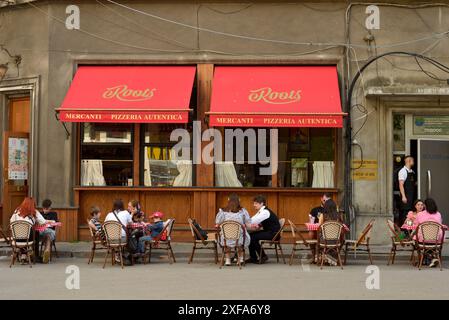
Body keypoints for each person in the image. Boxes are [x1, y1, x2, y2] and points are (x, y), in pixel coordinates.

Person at [10, 197, 53, 264]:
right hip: (28, 238)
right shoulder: (34, 211)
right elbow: (43, 222)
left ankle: (24, 254)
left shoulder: (16, 210)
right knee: (36, 232)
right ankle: (35, 255)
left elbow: (11, 222)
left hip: (16, 238)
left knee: (26, 233)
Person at [215, 195, 251, 266]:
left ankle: (228, 260)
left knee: (226, 238)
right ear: (239, 201)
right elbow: (248, 223)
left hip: (226, 238)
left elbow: (217, 222)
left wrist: (222, 224)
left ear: (228, 201)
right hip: (239, 238)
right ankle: (240, 259)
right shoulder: (243, 211)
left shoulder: (223, 211)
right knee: (241, 238)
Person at [247, 195, 280, 264]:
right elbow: (257, 220)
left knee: (252, 237)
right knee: (250, 235)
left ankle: (262, 256)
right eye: (254, 203)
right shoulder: (262, 211)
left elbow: (253, 221)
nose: (254, 205)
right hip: (269, 231)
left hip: (273, 233)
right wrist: (259, 225)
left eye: (256, 203)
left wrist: (245, 222)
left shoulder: (265, 212)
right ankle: (253, 257)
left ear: (261, 203)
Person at [413, 198, 443, 268]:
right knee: (436, 238)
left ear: (425, 206)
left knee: (415, 239)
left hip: (423, 240)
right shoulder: (438, 214)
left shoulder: (420, 214)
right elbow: (440, 225)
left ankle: (423, 258)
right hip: (436, 240)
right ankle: (433, 256)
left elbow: (416, 226)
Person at [398, 156, 416, 226]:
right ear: (408, 161)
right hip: (406, 197)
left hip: (411, 197)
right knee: (405, 215)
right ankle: (404, 231)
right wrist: (403, 196)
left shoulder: (412, 171)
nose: (413, 162)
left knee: (410, 214)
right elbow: (401, 184)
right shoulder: (403, 171)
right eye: (412, 160)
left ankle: (409, 229)